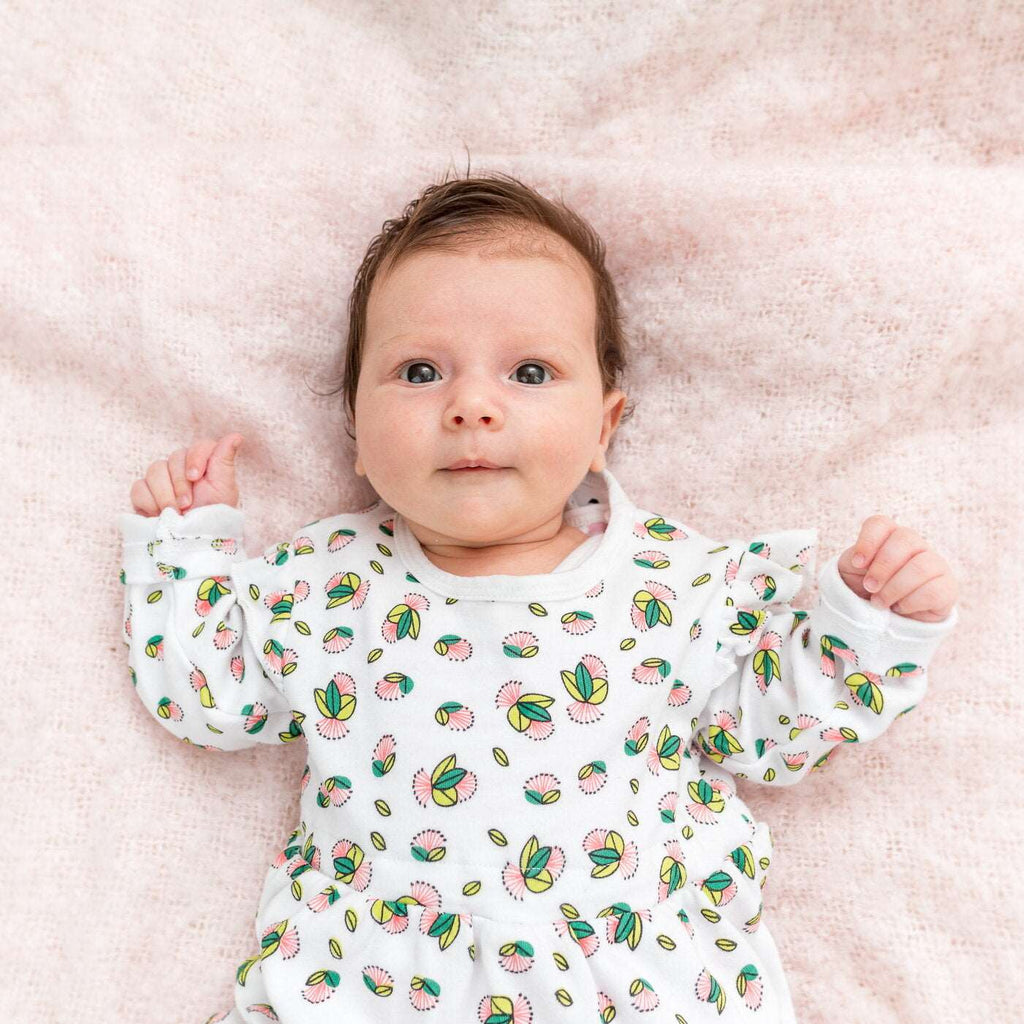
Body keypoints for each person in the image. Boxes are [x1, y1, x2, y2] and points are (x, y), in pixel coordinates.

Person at [117, 172, 959, 1023]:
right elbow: (210, 698)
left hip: (623, 980)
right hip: (373, 980)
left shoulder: (674, 585)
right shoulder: (326, 583)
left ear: (603, 426)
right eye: (418, 371)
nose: (471, 406)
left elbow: (771, 737)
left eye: (528, 371)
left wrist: (869, 621)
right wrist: (185, 551)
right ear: (357, 438)